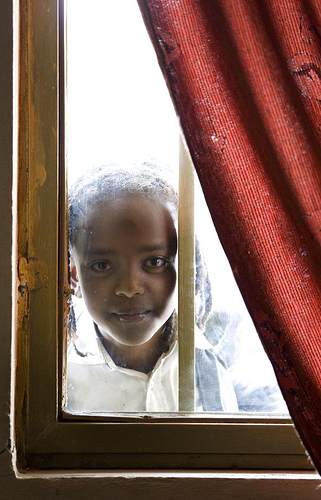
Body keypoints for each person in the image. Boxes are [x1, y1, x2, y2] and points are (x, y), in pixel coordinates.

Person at [66, 161, 286, 414]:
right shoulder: (59, 379)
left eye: (154, 262)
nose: (129, 288)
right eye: (102, 265)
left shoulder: (222, 355)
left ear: (186, 267)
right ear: (74, 277)